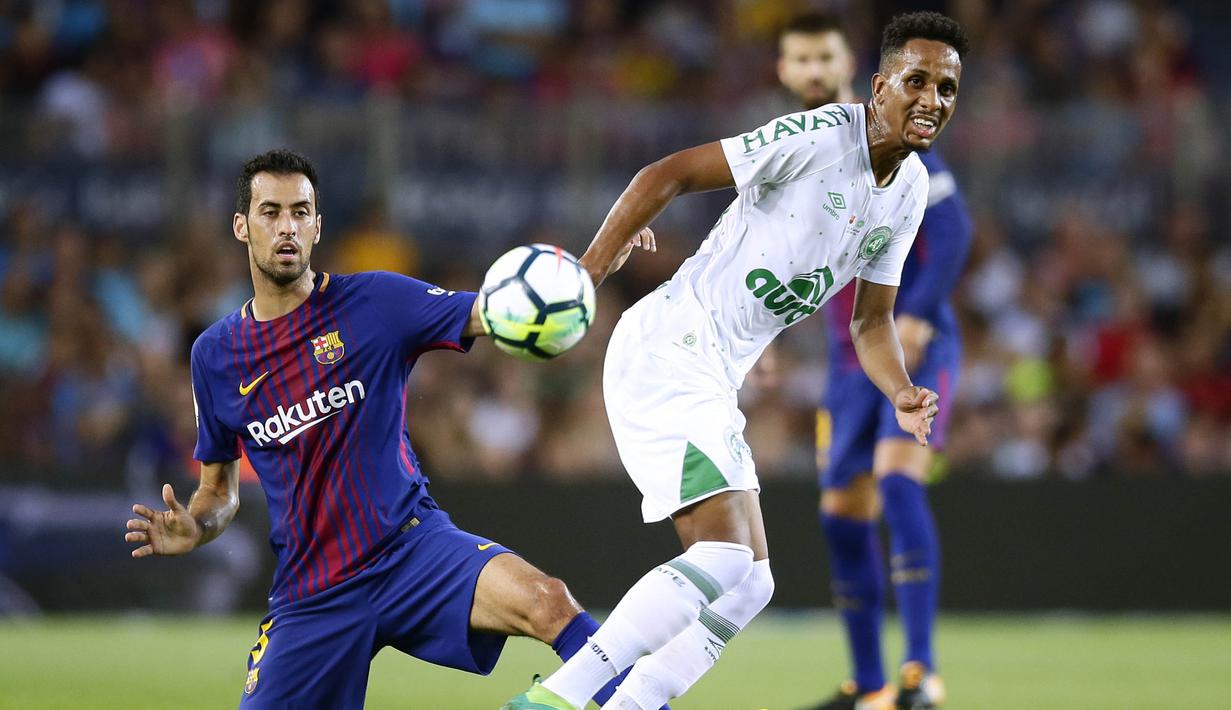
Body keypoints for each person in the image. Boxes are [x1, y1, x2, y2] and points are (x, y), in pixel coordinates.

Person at [503, 11, 969, 710]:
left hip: (713, 373)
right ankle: (558, 700)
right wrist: (586, 279)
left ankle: (631, 704)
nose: (932, 99)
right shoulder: (818, 136)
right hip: (671, 348)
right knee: (722, 559)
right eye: (916, 80)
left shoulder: (905, 193)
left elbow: (872, 321)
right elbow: (666, 173)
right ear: (878, 86)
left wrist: (900, 389)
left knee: (752, 583)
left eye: (947, 88)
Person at [124, 149, 655, 709]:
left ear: (318, 225)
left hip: (412, 549)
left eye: (301, 212)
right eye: (271, 212)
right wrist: (198, 525)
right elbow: (218, 490)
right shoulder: (215, 355)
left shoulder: (374, 302)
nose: (287, 226)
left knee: (549, 601)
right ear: (242, 226)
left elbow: (503, 312)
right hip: (314, 593)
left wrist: (593, 263)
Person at [777, 14, 975, 710]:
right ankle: (869, 685)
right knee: (839, 515)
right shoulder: (797, 147)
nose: (811, 69)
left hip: (905, 343)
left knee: (896, 484)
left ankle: (921, 673)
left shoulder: (897, 125)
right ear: (783, 70)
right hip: (843, 363)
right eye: (798, 58)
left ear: (855, 68)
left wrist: (918, 311)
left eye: (822, 55)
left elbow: (952, 227)